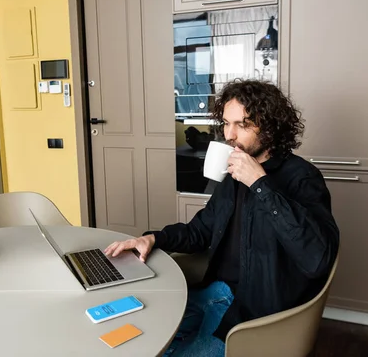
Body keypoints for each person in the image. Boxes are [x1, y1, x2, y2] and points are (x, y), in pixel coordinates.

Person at [104, 79, 340, 357]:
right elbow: (201, 229)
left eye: (243, 124)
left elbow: (317, 257)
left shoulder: (302, 177)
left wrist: (260, 184)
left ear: (271, 126)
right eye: (226, 123)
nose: (230, 134)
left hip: (252, 309)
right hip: (213, 291)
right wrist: (153, 238)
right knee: (140, 338)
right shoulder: (233, 174)